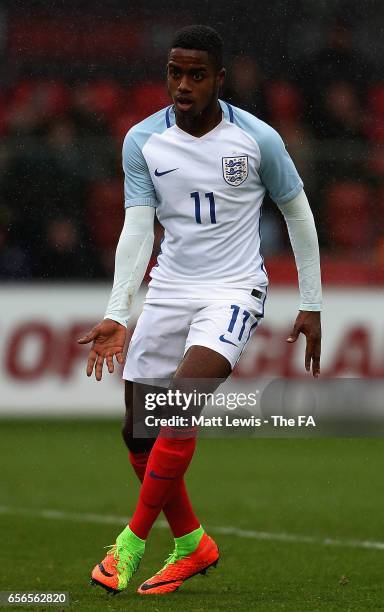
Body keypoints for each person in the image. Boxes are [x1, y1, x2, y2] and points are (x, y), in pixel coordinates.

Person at [78, 24, 322, 596]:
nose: (182, 85)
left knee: (180, 404)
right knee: (138, 432)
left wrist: (311, 300)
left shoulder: (257, 139)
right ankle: (192, 543)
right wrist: (119, 310)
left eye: (195, 74)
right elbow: (137, 228)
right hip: (168, 288)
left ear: (219, 78)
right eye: (174, 72)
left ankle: (129, 545)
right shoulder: (142, 141)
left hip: (234, 288)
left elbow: (300, 214)